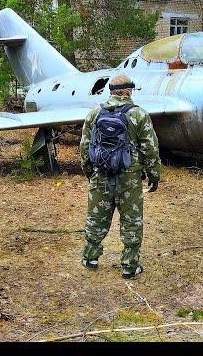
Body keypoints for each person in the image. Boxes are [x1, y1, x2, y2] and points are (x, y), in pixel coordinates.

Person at [79, 74, 161, 279]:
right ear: (128, 91)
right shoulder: (139, 115)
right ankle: (129, 266)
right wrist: (153, 175)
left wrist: (90, 172)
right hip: (129, 178)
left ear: (111, 91)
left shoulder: (94, 114)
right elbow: (150, 149)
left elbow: (84, 147)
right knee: (132, 220)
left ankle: (90, 258)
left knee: (96, 217)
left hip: (101, 175)